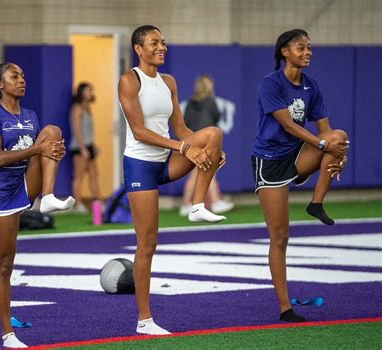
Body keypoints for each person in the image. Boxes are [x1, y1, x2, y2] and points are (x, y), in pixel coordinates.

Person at [118, 25, 227, 335]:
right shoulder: (129, 80)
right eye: (154, 43)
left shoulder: (169, 81)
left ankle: (197, 205)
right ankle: (144, 320)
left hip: (166, 160)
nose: (161, 47)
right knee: (147, 244)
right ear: (139, 49)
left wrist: (206, 148)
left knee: (214, 134)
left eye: (163, 42)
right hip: (140, 166)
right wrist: (185, 148)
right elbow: (139, 131)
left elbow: (180, 128)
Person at [251, 29, 349, 323]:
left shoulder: (311, 86)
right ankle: (285, 308)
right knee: (280, 236)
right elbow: (289, 126)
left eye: (309, 48)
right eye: (301, 47)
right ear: (285, 51)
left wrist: (334, 157)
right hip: (269, 161)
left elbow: (325, 131)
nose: (308, 52)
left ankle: (315, 202)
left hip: (297, 154)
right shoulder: (270, 84)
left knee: (339, 137)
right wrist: (322, 146)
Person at [0, 62, 75, 348]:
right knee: (5, 264)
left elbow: (38, 153)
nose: (21, 80)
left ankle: (46, 198)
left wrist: (52, 149)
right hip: (1, 193)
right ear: (0, 84)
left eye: (22, 75)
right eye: (14, 76)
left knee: (52, 131)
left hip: (24, 182)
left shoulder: (30, 116)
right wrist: (39, 149)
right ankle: (8, 334)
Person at [179, 75, 235, 216]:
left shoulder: (190, 103)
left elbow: (185, 121)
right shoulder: (211, 102)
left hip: (193, 140)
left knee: (195, 174)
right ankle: (215, 202)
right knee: (208, 170)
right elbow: (216, 118)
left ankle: (186, 204)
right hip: (206, 140)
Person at [68, 82, 102, 212]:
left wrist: (93, 146)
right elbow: (77, 130)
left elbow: (88, 130)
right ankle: (77, 205)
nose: (90, 93)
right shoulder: (76, 108)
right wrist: (82, 148)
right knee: (79, 175)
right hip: (78, 146)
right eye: (87, 90)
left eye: (90, 90)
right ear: (81, 93)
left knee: (94, 175)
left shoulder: (88, 107)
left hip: (89, 145)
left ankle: (99, 203)